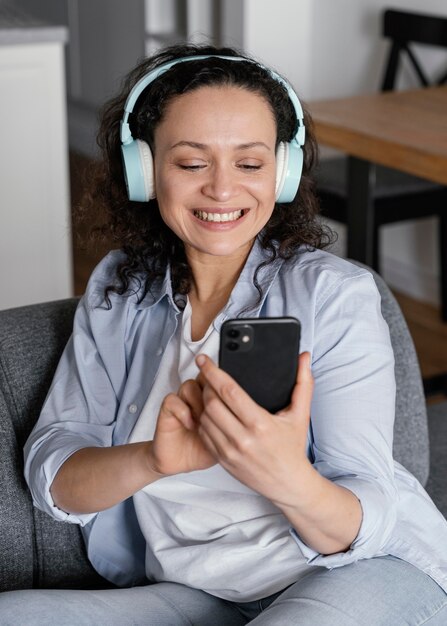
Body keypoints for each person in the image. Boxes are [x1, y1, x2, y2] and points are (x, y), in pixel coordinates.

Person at [1, 43, 446, 625]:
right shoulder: (120, 290)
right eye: (190, 163)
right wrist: (153, 461)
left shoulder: (334, 295)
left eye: (250, 163)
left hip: (358, 573)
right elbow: (52, 477)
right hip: (199, 594)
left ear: (282, 174)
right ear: (145, 170)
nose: (221, 189)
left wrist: (282, 474)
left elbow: (366, 512)